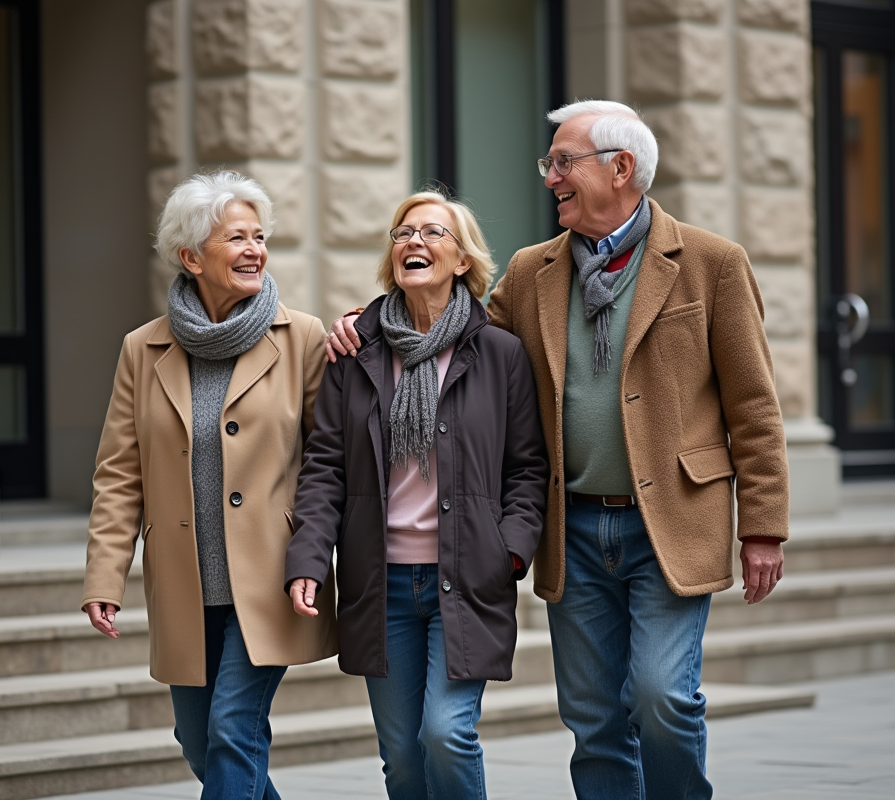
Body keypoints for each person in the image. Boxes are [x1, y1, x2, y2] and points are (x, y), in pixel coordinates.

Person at [327, 101, 790, 800]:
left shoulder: (712, 264)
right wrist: (367, 320)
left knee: (664, 699)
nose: (550, 178)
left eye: (562, 162)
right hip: (572, 529)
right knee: (594, 719)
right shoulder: (533, 270)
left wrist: (763, 525)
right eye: (551, 164)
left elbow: (754, 407)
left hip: (669, 522)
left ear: (622, 168)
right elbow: (453, 325)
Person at [81, 170, 338, 800]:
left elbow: (328, 460)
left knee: (232, 730)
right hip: (185, 583)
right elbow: (119, 472)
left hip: (270, 578)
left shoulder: (302, 337)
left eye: (259, 236)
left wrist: (313, 553)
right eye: (236, 238)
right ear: (191, 256)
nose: (255, 249)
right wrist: (103, 577)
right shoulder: (142, 349)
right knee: (200, 743)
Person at [285, 190, 549, 800]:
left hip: (468, 576)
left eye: (433, 232)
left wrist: (509, 550)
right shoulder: (354, 354)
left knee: (446, 734)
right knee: (401, 758)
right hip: (382, 585)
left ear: (462, 260)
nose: (414, 242)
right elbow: (325, 465)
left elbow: (527, 467)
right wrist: (307, 559)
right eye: (403, 233)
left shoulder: (500, 354)